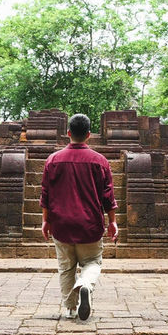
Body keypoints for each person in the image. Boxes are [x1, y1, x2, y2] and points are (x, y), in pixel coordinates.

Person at [40, 113, 118, 320]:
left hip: (61, 223)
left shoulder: (53, 160)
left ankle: (70, 309)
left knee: (66, 268)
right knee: (93, 262)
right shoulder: (100, 161)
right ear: (89, 135)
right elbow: (108, 196)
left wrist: (45, 221)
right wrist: (113, 222)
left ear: (68, 133)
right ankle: (85, 284)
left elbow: (45, 194)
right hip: (89, 224)